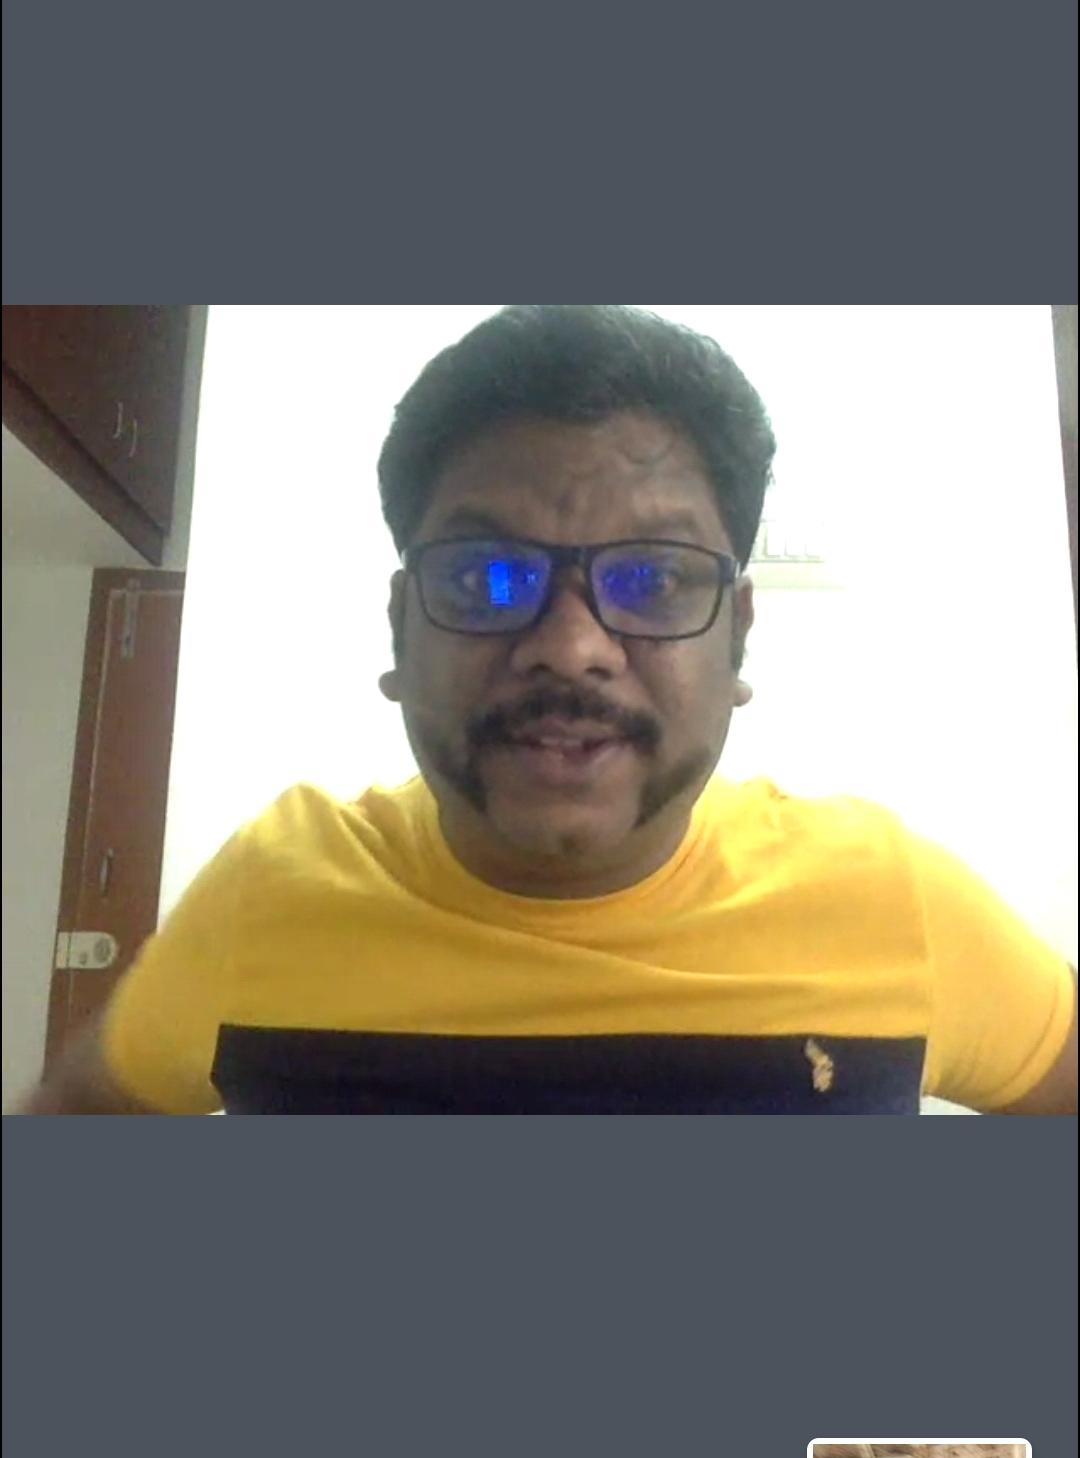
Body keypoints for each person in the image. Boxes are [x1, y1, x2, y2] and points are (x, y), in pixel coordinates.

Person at [20, 305, 1078, 1116]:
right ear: (399, 632)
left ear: (739, 640)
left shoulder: (890, 899)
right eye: (485, 575)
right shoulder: (270, 893)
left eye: (654, 579)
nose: (570, 647)